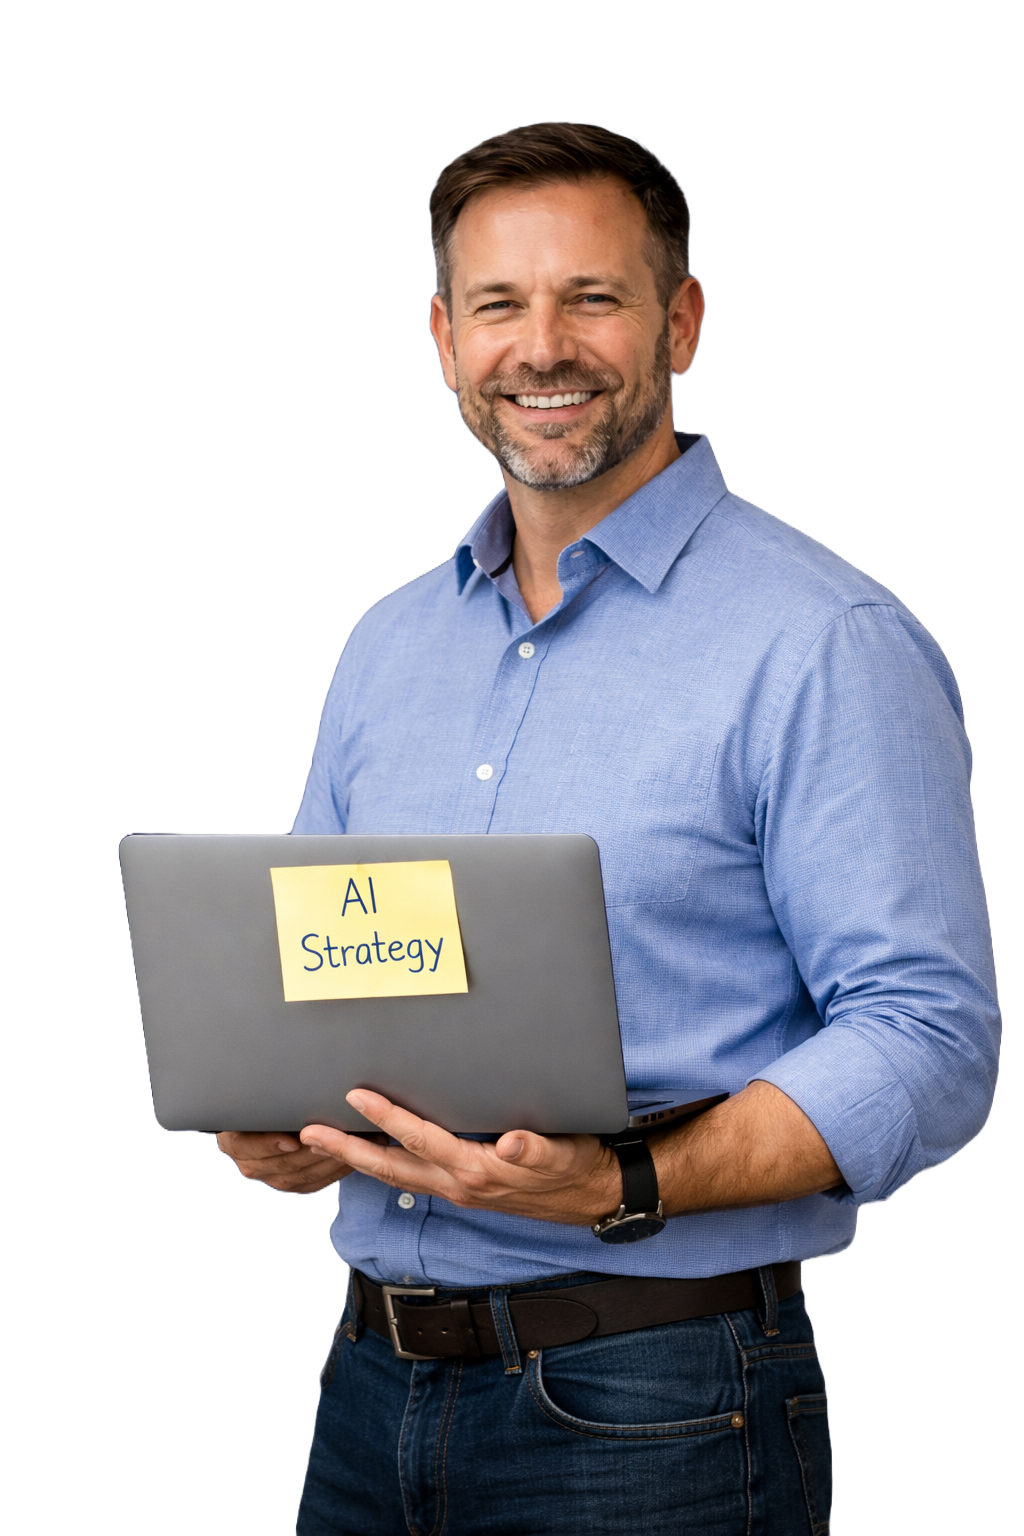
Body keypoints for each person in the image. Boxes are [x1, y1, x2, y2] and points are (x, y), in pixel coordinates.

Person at [217, 122, 999, 1535]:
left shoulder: (823, 640)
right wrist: (283, 1109)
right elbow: (320, 973)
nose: (544, 348)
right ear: (447, 341)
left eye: (593, 297)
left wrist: (623, 1180)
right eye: (502, 306)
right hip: (364, 1390)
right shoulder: (388, 645)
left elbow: (931, 1040)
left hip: (660, 1399)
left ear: (682, 321)